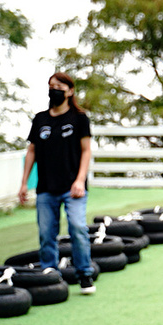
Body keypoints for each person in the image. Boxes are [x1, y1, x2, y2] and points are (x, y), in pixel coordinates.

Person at [18, 72, 96, 294]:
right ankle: (50, 275)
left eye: (59, 86)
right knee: (46, 233)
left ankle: (84, 275)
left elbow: (86, 150)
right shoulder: (40, 119)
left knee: (78, 227)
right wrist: (24, 183)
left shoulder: (80, 119)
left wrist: (80, 180)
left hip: (73, 188)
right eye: (51, 85)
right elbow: (31, 151)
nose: (54, 89)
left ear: (70, 91)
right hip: (46, 188)